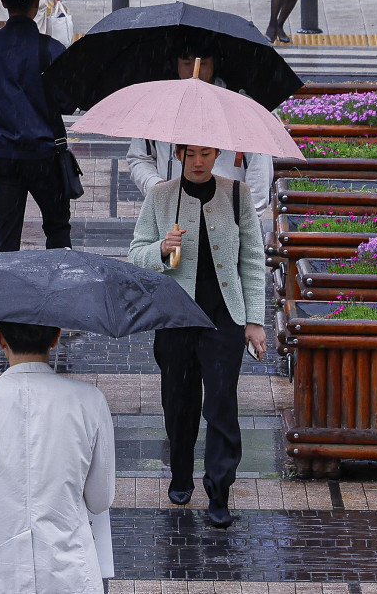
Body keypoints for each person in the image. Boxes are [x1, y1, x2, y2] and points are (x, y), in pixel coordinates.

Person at [128, 144, 267, 528]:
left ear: (216, 153)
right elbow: (135, 252)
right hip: (176, 318)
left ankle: (219, 491)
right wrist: (160, 248)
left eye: (206, 154)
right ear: (178, 155)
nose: (199, 161)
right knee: (179, 403)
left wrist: (255, 320)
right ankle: (180, 473)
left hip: (224, 317)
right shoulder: (161, 195)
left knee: (222, 404)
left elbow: (252, 259)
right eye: (190, 155)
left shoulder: (237, 194)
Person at [0, 322, 115, 593]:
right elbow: (100, 500)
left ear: (0, 339)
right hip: (68, 576)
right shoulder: (90, 400)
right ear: (56, 337)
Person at [0, 0, 76, 252]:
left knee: (5, 236)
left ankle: (5, 279)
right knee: (57, 228)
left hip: (3, 154)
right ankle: (60, 274)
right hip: (45, 155)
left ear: (4, 3)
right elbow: (67, 103)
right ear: (37, 3)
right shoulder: (51, 50)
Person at [126, 45, 273, 217]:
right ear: (176, 64)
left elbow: (259, 167)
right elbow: (139, 157)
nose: (194, 70)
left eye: (203, 63)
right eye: (186, 63)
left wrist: (245, 216)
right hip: (171, 214)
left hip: (228, 214)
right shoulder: (158, 107)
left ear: (214, 63)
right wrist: (156, 186)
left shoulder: (241, 107)